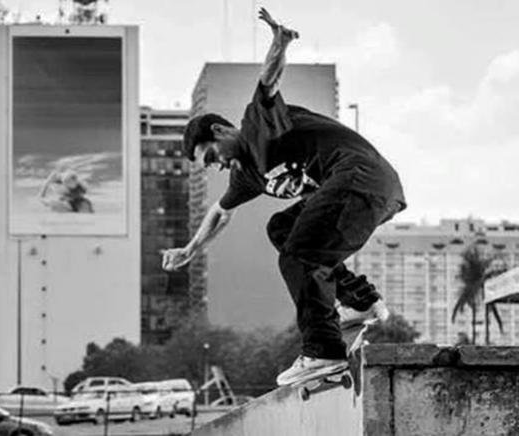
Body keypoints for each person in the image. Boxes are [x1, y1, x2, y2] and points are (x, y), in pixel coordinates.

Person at [161, 6, 406, 386]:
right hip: (368, 193)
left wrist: (280, 42)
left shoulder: (256, 127)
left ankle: (322, 353)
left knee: (299, 255)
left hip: (361, 178)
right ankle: (361, 301)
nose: (218, 166)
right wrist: (191, 249)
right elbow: (219, 213)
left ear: (221, 131)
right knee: (282, 228)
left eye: (212, 156)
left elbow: (268, 81)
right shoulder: (248, 175)